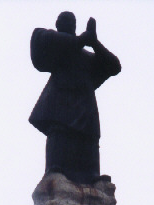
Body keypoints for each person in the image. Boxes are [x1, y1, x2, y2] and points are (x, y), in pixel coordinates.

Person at [29, 11, 121, 184]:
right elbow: (45, 39)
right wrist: (81, 40)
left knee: (89, 138)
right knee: (59, 131)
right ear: (57, 24)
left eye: (71, 21)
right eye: (63, 20)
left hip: (85, 101)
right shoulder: (55, 42)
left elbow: (114, 66)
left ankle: (92, 174)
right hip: (61, 96)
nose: (67, 23)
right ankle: (54, 169)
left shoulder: (85, 55)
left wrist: (94, 43)